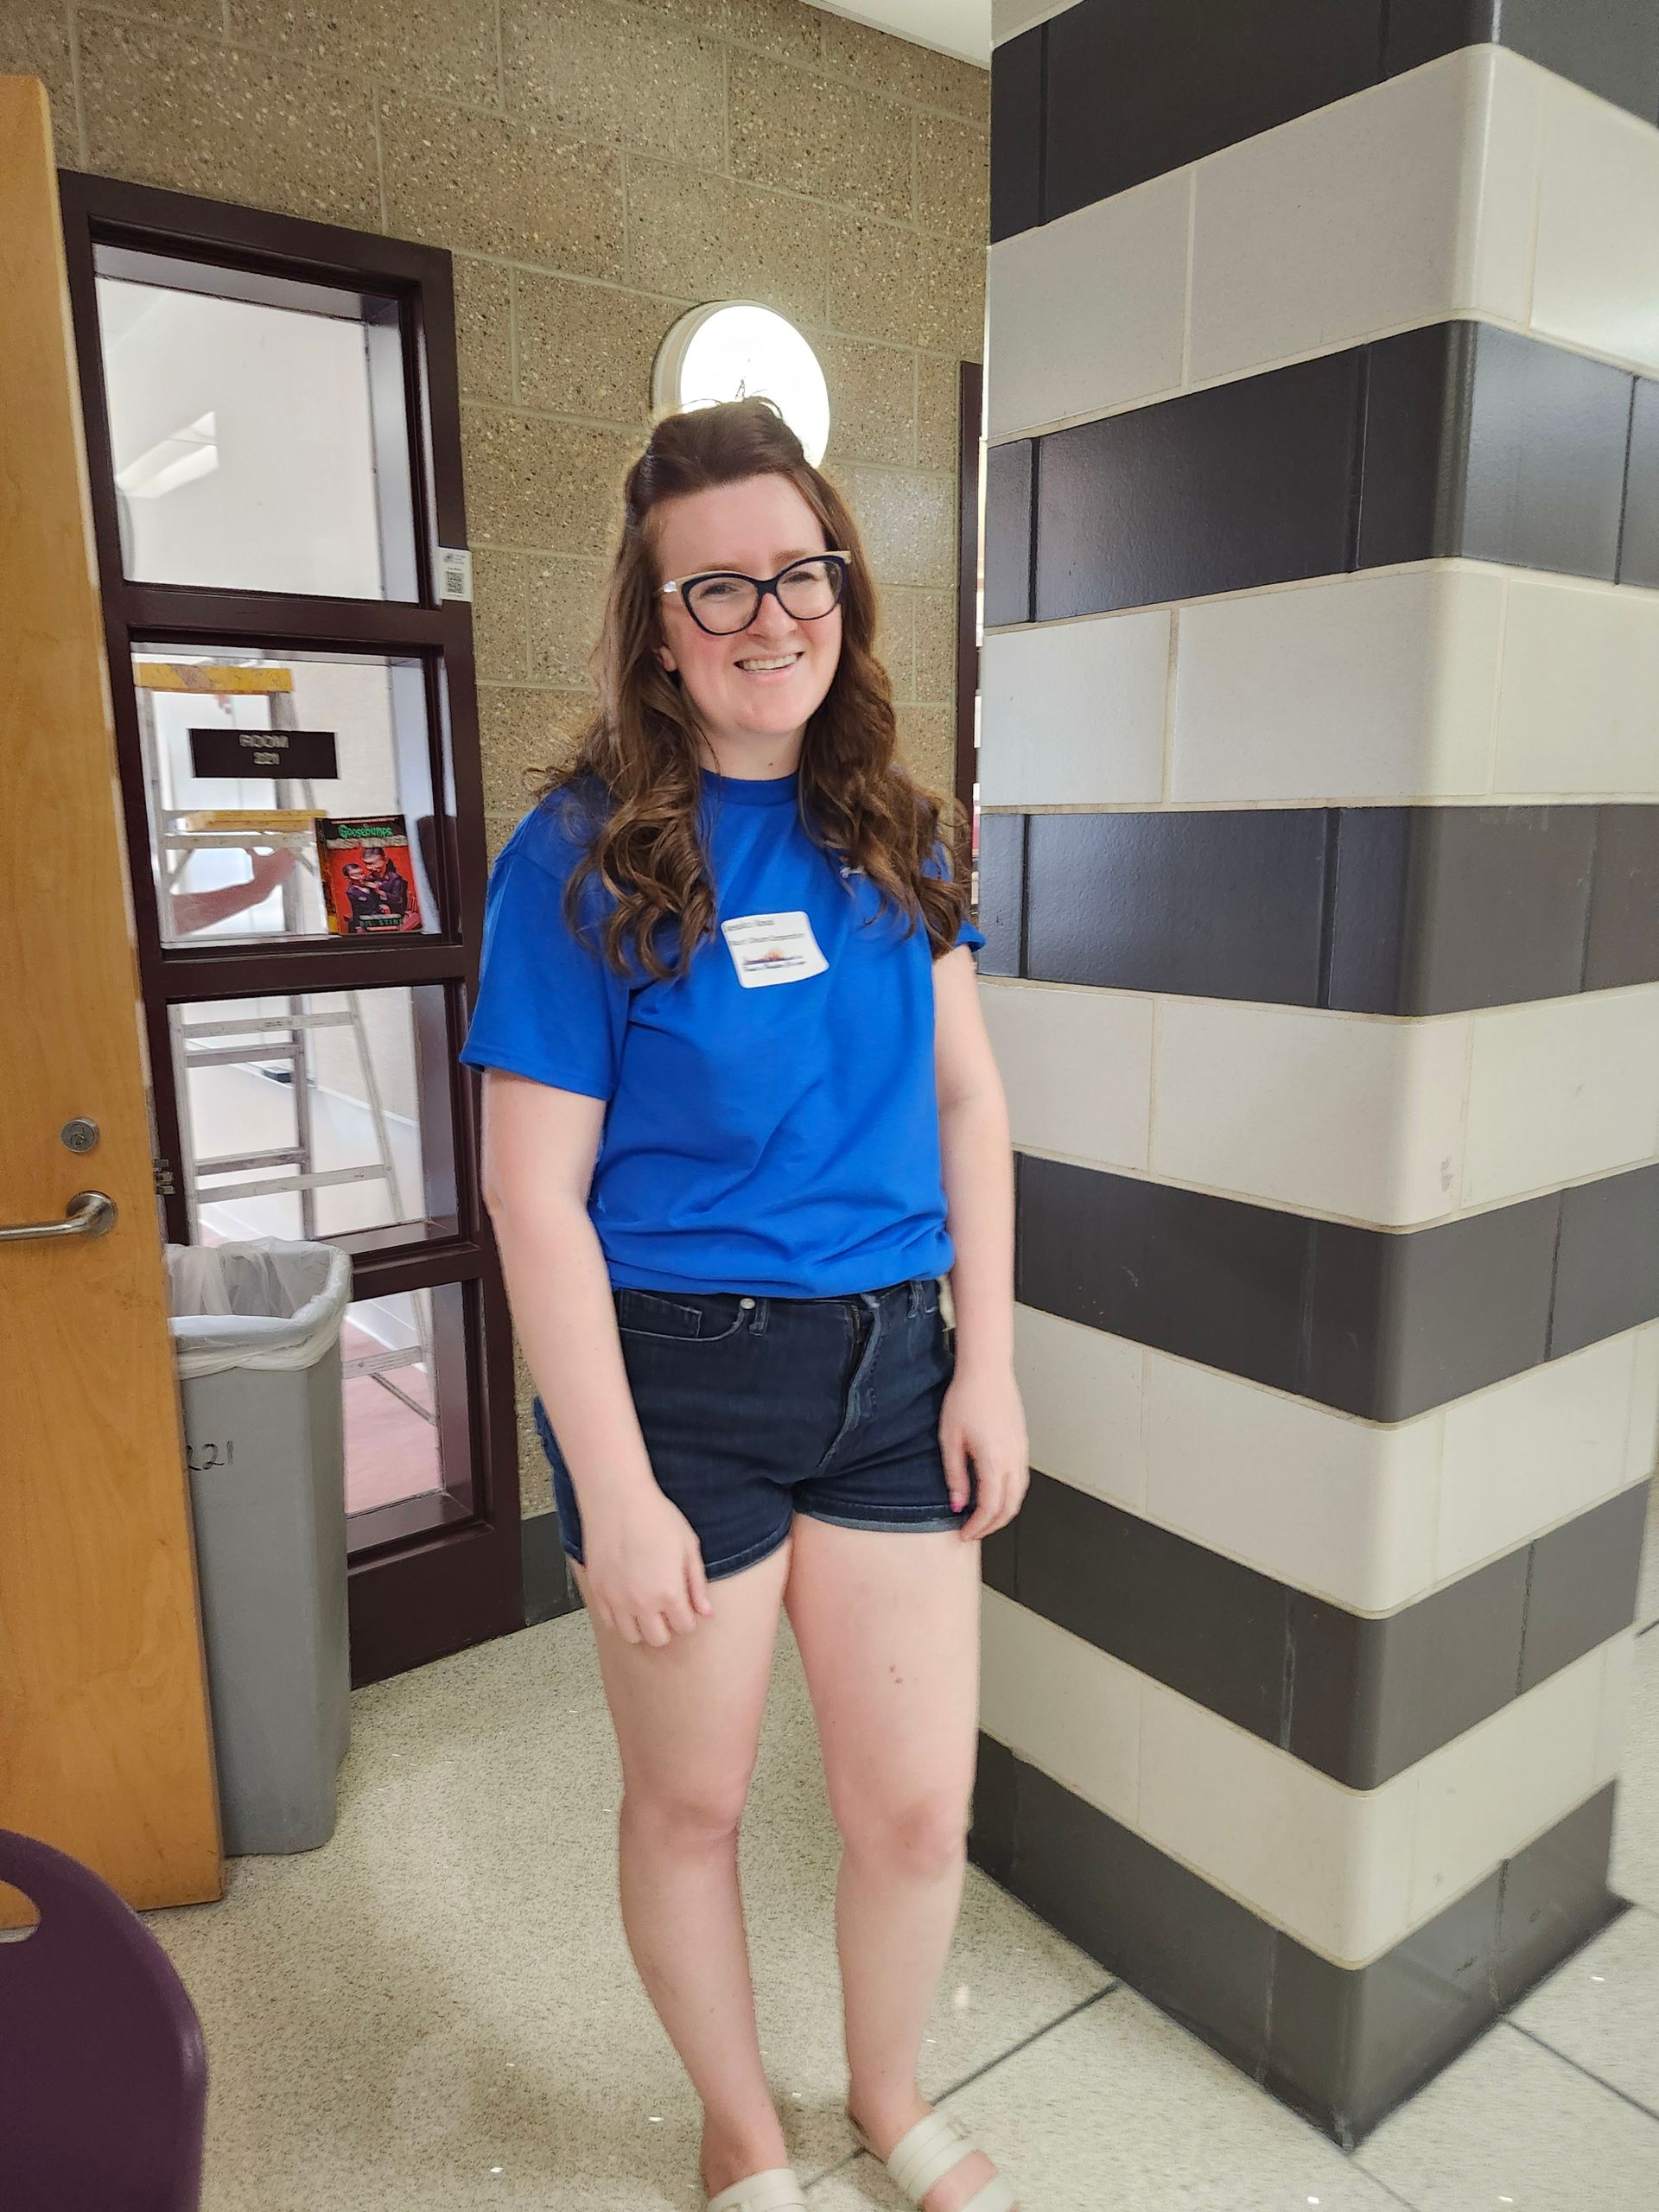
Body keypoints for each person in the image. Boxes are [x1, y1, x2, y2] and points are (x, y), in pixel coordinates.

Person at [459, 397, 1027, 2212]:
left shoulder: (895, 831)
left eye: (802, 572)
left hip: (893, 1364)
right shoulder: (577, 855)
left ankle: (882, 2089)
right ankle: (742, 2129)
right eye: (718, 589)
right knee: (693, 1806)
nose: (769, 616)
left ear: (844, 582)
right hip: (675, 1382)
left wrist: (988, 1363)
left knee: (914, 1808)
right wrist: (610, 1488)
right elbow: (531, 1194)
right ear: (652, 621)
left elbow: (966, 1102)